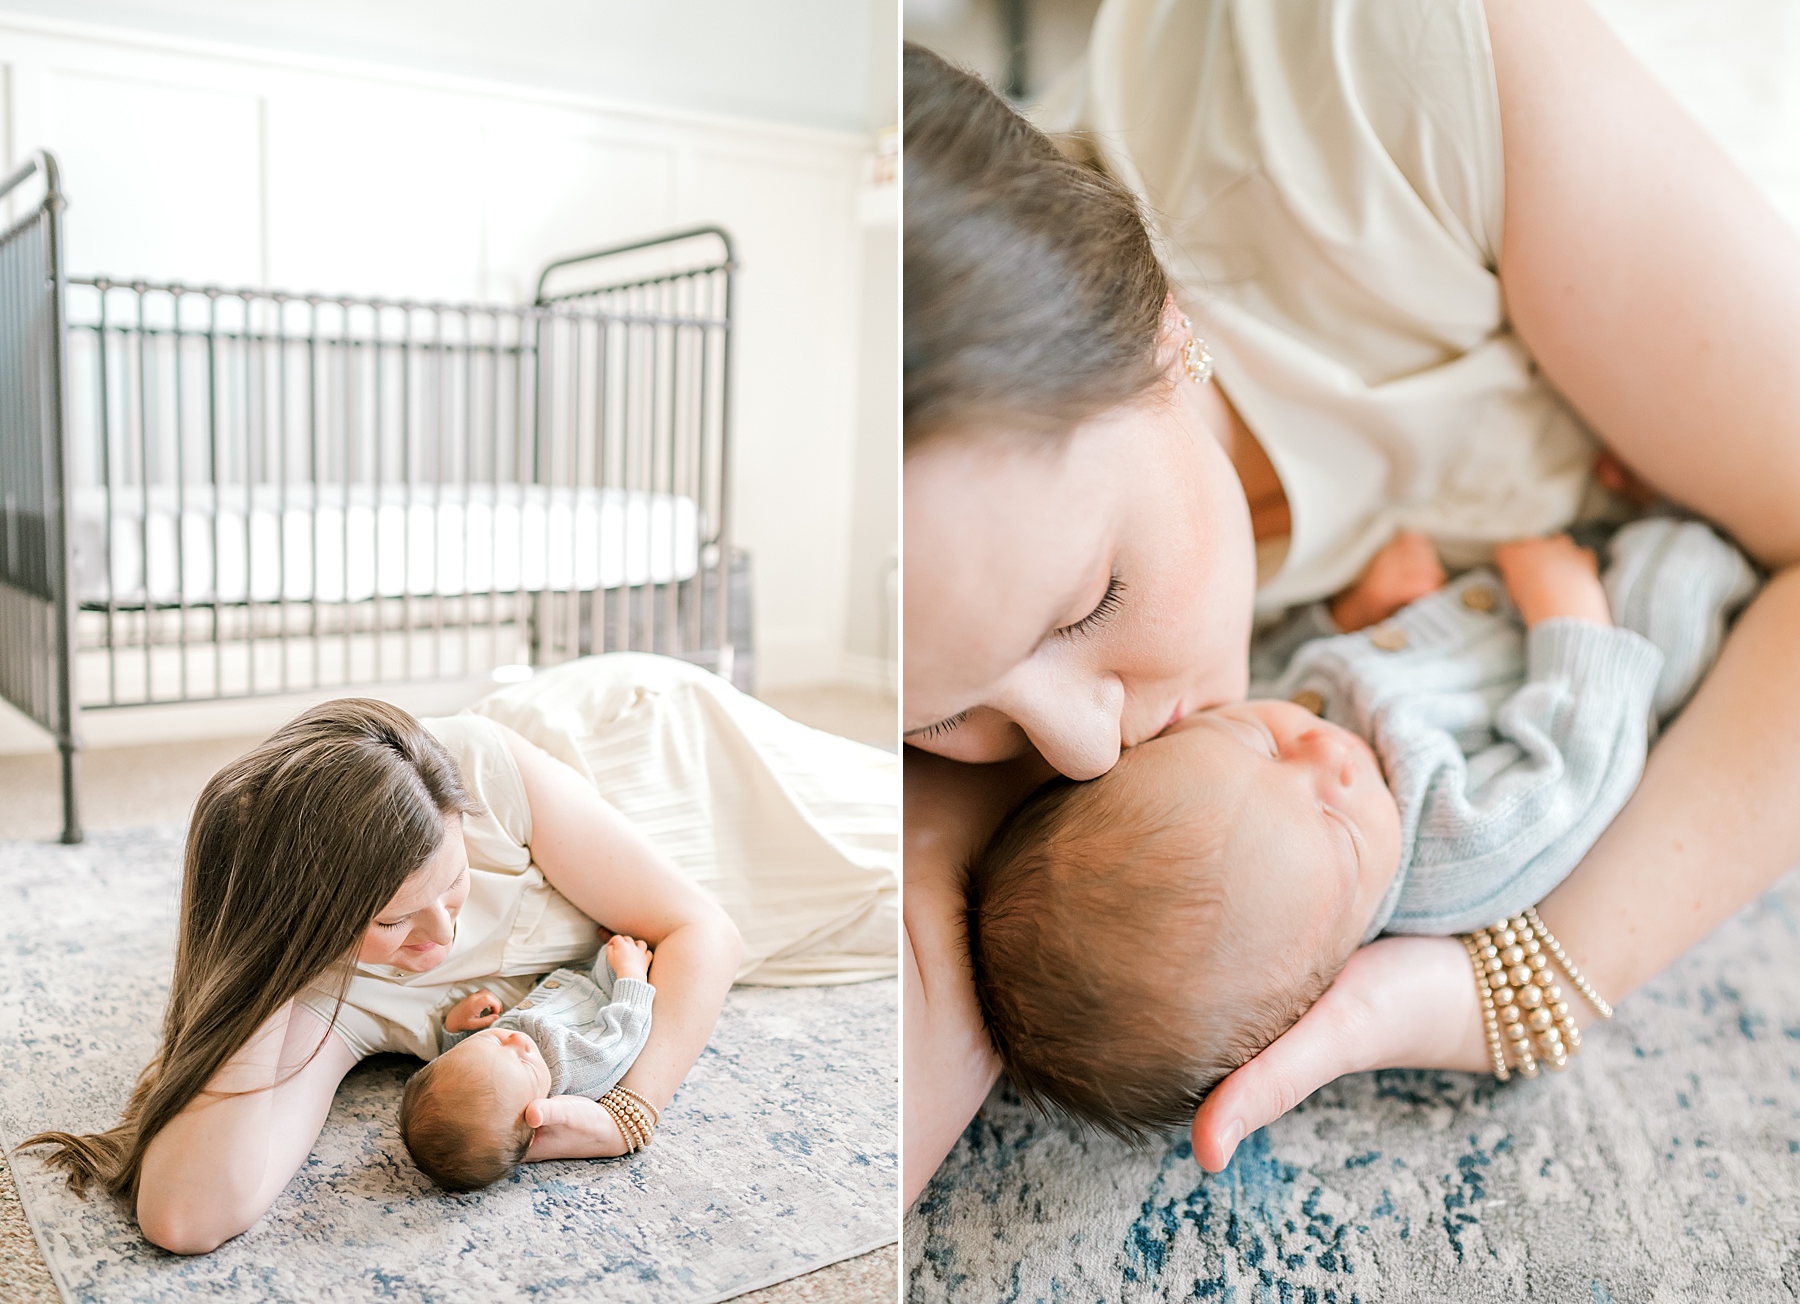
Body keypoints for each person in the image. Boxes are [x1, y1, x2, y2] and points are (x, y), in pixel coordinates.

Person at [903, 0, 1800, 1210]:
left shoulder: (1367, 55)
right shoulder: (986, 547)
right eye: (942, 714)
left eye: (1084, 607)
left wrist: (1525, 979)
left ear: (1165, 331)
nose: (1087, 751)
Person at [22, 652, 896, 1253]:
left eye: (455, 888)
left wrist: (633, 1110)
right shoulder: (329, 992)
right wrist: (261, 969)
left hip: (655, 760)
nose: (442, 940)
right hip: (626, 891)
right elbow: (185, 1215)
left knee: (896, 813)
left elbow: (704, 931)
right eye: (398, 924)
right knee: (910, 905)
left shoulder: (469, 773)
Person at [966, 519, 1756, 1138]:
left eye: (1259, 741)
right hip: (1608, 638)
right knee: (1679, 570)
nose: (1327, 757)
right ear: (1333, 963)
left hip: (1479, 598)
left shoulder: (1249, 793)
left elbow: (1287, 662)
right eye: (1335, 824)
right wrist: (1570, 608)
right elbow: (1582, 761)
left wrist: (1351, 613)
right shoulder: (1453, 849)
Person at [401, 934, 657, 1192]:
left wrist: (456, 1028)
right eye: (526, 1064)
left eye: (493, 1042)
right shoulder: (579, 1068)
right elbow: (625, 1031)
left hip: (567, 966)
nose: (518, 1041)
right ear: (535, 1121)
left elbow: (465, 1063)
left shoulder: (495, 1069)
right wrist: (631, 973)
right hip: (612, 981)